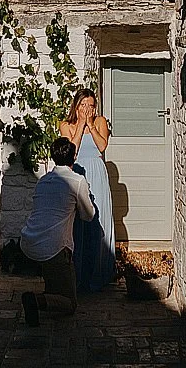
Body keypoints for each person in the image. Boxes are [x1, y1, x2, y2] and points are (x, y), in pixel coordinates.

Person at [19, 137, 95, 326]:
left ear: (53, 157)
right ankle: (36, 300)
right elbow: (88, 215)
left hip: (30, 240)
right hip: (55, 247)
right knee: (70, 304)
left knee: (54, 282)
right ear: (74, 158)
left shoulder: (43, 181)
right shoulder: (77, 181)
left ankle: (43, 301)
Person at [60, 88, 115, 292]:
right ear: (76, 105)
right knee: (78, 224)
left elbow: (102, 147)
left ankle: (98, 273)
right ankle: (78, 274)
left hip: (97, 173)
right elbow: (71, 153)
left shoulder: (100, 122)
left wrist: (91, 125)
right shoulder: (66, 125)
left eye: (91, 105)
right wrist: (81, 124)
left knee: (97, 222)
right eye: (83, 105)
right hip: (78, 174)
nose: (87, 109)